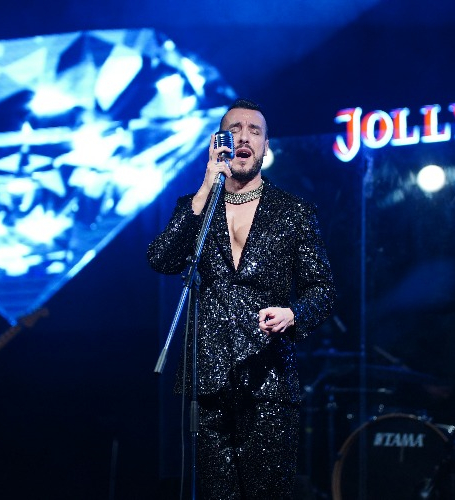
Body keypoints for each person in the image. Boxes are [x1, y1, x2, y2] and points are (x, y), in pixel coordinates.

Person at [147, 98, 336, 499]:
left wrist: (292, 314)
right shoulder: (196, 208)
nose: (244, 137)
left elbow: (323, 290)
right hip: (207, 378)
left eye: (254, 131)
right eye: (234, 130)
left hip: (268, 378)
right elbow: (161, 259)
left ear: (266, 145)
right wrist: (204, 188)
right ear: (219, 143)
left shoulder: (293, 212)